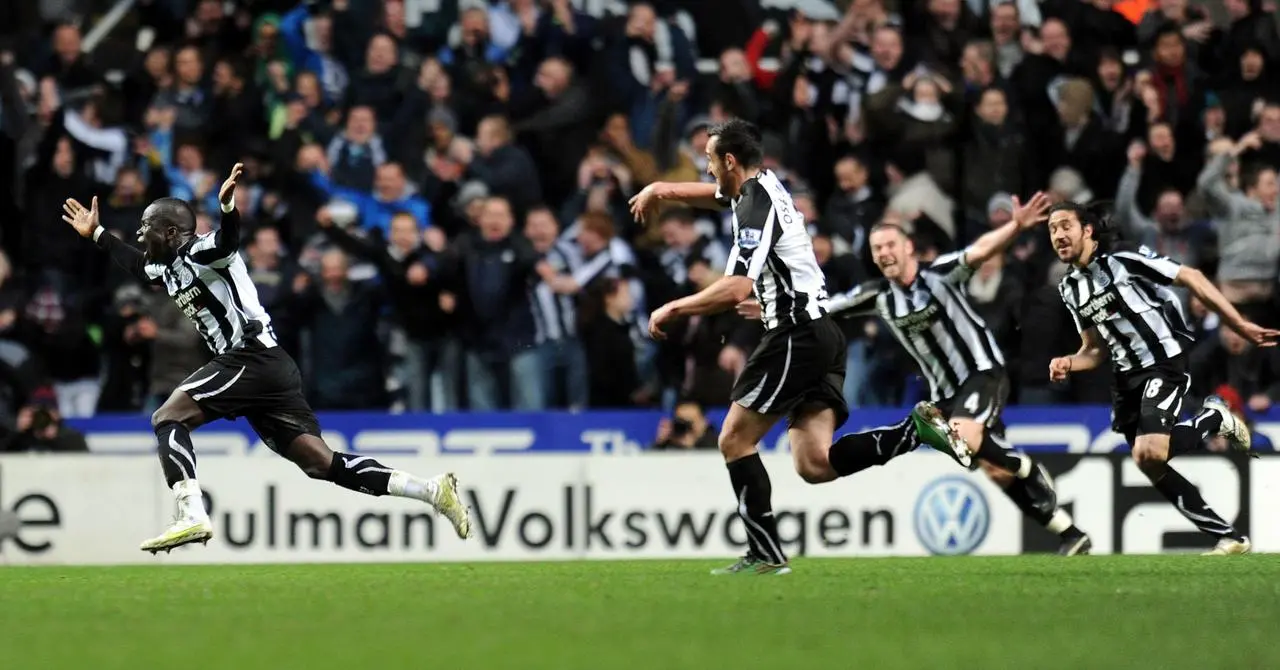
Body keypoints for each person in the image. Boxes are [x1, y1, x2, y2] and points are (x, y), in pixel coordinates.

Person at [60, 164, 472, 554]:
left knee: (167, 418)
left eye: (147, 226)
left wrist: (226, 208)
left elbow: (228, 241)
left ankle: (191, 512)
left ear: (171, 232)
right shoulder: (165, 268)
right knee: (319, 462)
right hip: (268, 370)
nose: (140, 231)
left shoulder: (202, 252)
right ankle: (433, 491)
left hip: (250, 357)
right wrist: (96, 233)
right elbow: (136, 263)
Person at [791, 195, 1093, 556]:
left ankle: (1026, 467)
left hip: (982, 373)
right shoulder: (879, 296)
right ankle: (1070, 533)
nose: (884, 253)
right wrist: (773, 308)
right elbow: (823, 308)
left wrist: (1014, 226)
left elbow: (979, 251)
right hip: (945, 396)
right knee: (995, 471)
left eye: (890, 245)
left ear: (908, 248)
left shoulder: (940, 273)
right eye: (877, 248)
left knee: (965, 435)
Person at [630, 119, 846, 575]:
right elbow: (717, 196)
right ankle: (911, 434)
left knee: (734, 438)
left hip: (795, 333)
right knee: (814, 462)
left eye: (709, 161)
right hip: (811, 327)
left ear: (730, 161)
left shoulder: (753, 205)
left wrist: (674, 307)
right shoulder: (764, 182)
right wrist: (662, 189)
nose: (707, 172)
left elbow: (733, 288)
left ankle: (766, 555)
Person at [1046, 201, 1277, 555]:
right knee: (1148, 461)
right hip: (1125, 377)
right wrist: (1068, 362)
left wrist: (1239, 324)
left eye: (1065, 226)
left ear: (1087, 230)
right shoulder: (1070, 288)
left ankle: (1214, 417)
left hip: (1162, 361)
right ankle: (1228, 537)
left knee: (1150, 449)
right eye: (1052, 230)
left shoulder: (1122, 258)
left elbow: (1192, 277)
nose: (1059, 235)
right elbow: (1093, 350)